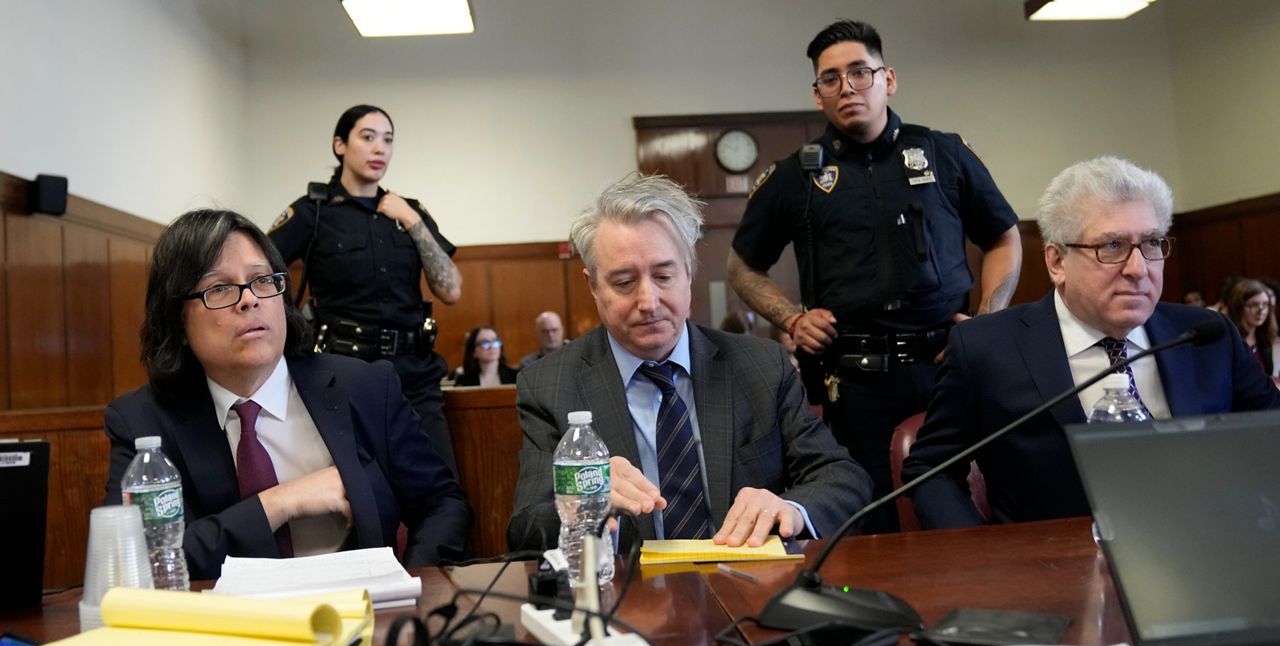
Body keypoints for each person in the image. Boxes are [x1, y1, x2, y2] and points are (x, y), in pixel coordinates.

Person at [726, 19, 1022, 534]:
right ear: (817, 95)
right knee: (873, 525)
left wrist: (987, 321)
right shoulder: (795, 176)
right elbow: (741, 266)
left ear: (888, 79)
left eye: (860, 72)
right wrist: (792, 319)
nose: (847, 87)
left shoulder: (943, 153)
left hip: (949, 365)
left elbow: (1003, 236)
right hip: (855, 384)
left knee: (968, 509)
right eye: (831, 78)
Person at [902, 157, 1280, 529]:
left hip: (1202, 545)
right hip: (1052, 560)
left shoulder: (1207, 335)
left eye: (1151, 243)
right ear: (1056, 262)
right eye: (1112, 246)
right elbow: (931, 469)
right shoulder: (986, 348)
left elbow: (1270, 435)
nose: (1138, 269)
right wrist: (982, 556)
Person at [507, 173, 872, 551]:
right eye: (624, 282)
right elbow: (526, 528)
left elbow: (843, 478)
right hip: (627, 583)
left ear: (689, 272)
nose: (649, 302)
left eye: (664, 275)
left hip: (746, 577)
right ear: (593, 286)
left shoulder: (761, 366)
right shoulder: (551, 384)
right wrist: (584, 503)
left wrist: (790, 508)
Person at [104, 209, 472, 579]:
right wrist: (278, 503)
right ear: (177, 319)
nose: (249, 300)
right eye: (219, 288)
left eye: (263, 280)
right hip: (230, 615)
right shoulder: (142, 421)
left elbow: (441, 503)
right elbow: (139, 561)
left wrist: (409, 587)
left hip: (364, 605)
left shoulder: (366, 387)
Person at [269, 104, 462, 476]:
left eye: (388, 140)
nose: (380, 149)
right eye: (368, 137)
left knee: (441, 484)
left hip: (414, 374)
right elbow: (260, 270)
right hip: (342, 371)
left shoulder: (410, 211)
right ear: (340, 145)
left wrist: (412, 220)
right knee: (358, 490)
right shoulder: (313, 211)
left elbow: (451, 289)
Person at [1226, 279, 1278, 377]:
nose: (1261, 311)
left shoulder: (1264, 338)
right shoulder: (1228, 339)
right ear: (1238, 307)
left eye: (1265, 304)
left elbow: (1266, 375)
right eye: (1254, 305)